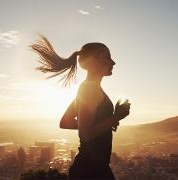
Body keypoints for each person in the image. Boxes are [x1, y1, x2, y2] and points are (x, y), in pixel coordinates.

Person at [30, 35, 130, 179]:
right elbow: (86, 133)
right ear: (92, 61)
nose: (113, 62)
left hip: (88, 167)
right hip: (92, 170)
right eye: (107, 57)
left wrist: (107, 122)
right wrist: (115, 117)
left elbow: (66, 122)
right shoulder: (90, 90)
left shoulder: (87, 89)